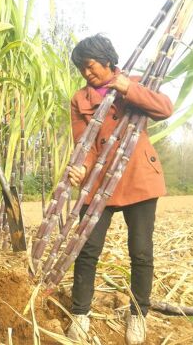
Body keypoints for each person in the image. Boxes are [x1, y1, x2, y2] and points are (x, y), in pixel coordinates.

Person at [65, 34, 173, 345]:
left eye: (91, 66)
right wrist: (82, 167)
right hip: (100, 183)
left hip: (139, 176)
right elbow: (84, 144)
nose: (87, 73)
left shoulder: (137, 81)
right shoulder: (80, 99)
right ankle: (80, 315)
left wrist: (128, 88)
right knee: (86, 249)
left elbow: (165, 108)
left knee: (141, 251)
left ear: (108, 60)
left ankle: (138, 315)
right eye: (82, 69)